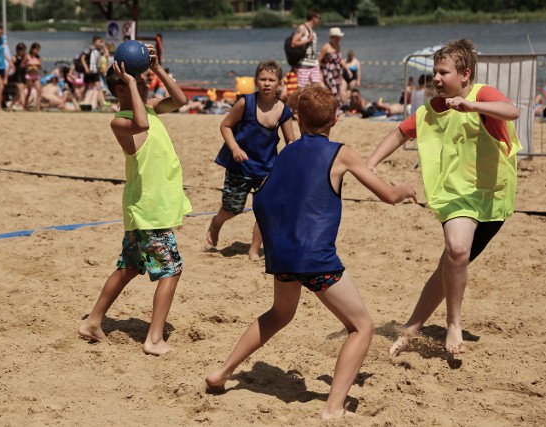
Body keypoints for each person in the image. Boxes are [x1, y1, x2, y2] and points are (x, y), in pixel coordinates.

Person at [205, 86, 416, 419]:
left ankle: (222, 372)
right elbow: (387, 196)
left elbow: (267, 198)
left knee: (279, 314)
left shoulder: (287, 152)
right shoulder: (340, 151)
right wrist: (405, 189)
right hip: (315, 257)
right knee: (362, 327)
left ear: (297, 118)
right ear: (336, 118)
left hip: (284, 253)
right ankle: (333, 407)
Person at [366, 38, 522, 356]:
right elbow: (400, 132)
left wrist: (473, 106)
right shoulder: (430, 109)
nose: (435, 79)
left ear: (464, 74)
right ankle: (454, 323)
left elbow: (512, 111)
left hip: (492, 197)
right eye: (434, 73)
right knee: (457, 249)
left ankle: (411, 327)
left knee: (449, 265)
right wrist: (370, 164)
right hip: (454, 197)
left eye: (443, 72)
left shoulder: (482, 95)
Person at [77, 45, 191, 356]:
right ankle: (153, 339)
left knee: (129, 266)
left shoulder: (151, 106)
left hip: (153, 206)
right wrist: (129, 83)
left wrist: (156, 69)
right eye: (136, 82)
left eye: (141, 82)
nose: (143, 85)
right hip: (146, 209)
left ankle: (92, 322)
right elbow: (140, 125)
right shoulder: (121, 121)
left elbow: (181, 100)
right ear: (119, 87)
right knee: (171, 269)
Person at [207, 60, 295, 261]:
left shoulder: (283, 110)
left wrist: (290, 160)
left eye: (271, 80)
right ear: (256, 81)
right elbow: (226, 126)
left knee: (265, 209)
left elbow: (290, 140)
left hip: (267, 167)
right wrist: (235, 148)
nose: (266, 83)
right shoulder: (245, 103)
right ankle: (217, 222)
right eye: (262, 79)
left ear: (279, 84)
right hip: (240, 165)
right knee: (232, 209)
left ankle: (254, 250)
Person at [287, 10, 322, 114]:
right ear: (314, 18)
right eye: (319, 18)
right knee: (300, 90)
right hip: (304, 63)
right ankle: (287, 107)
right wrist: (308, 40)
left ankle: (313, 110)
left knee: (317, 87)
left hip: (314, 63)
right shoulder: (302, 28)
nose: (319, 20)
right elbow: (293, 43)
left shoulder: (312, 30)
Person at [318, 27, 351, 108]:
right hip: (328, 72)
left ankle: (335, 109)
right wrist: (319, 73)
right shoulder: (326, 47)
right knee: (332, 91)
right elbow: (318, 60)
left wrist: (347, 69)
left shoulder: (337, 46)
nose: (340, 38)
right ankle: (332, 109)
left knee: (337, 90)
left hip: (336, 72)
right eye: (338, 37)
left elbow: (340, 59)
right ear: (334, 37)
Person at [7, 43, 27, 111]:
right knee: (22, 92)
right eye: (23, 50)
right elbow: (9, 67)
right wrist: (5, 77)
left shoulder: (25, 57)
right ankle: (24, 107)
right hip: (17, 76)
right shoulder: (14, 58)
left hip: (23, 76)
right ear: (19, 50)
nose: (24, 52)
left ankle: (10, 104)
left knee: (18, 94)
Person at [22, 42, 42, 111]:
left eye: (38, 50)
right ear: (32, 49)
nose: (37, 51)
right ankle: (25, 106)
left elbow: (40, 67)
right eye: (36, 50)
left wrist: (37, 66)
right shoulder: (27, 56)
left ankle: (38, 109)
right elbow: (22, 65)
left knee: (39, 91)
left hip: (36, 75)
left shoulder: (38, 57)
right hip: (29, 75)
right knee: (29, 92)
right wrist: (29, 66)